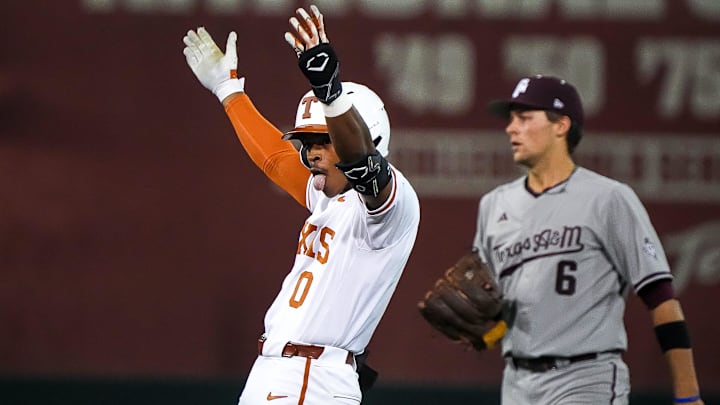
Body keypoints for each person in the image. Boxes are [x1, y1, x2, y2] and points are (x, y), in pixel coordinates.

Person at [182, 5, 420, 405]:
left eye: (323, 141)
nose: (311, 154)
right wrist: (229, 92)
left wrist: (331, 91)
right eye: (307, 143)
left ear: (370, 137)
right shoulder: (326, 196)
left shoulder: (390, 207)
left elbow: (361, 163)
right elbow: (276, 159)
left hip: (312, 376)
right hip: (280, 371)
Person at [471, 74, 703, 404]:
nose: (511, 128)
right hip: (517, 384)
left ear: (561, 125)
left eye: (524, 118)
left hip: (585, 378)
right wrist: (482, 328)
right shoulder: (494, 205)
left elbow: (661, 298)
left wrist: (688, 395)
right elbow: (494, 311)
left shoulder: (608, 199)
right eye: (510, 119)